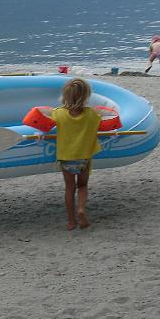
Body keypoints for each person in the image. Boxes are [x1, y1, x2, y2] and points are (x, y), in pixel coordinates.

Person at [40, 78, 104, 230]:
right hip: (84, 157)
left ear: (65, 96)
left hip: (66, 158)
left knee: (70, 188)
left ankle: (71, 221)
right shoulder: (91, 114)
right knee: (82, 185)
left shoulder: (58, 113)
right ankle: (81, 209)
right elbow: (101, 121)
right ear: (86, 96)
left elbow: (45, 118)